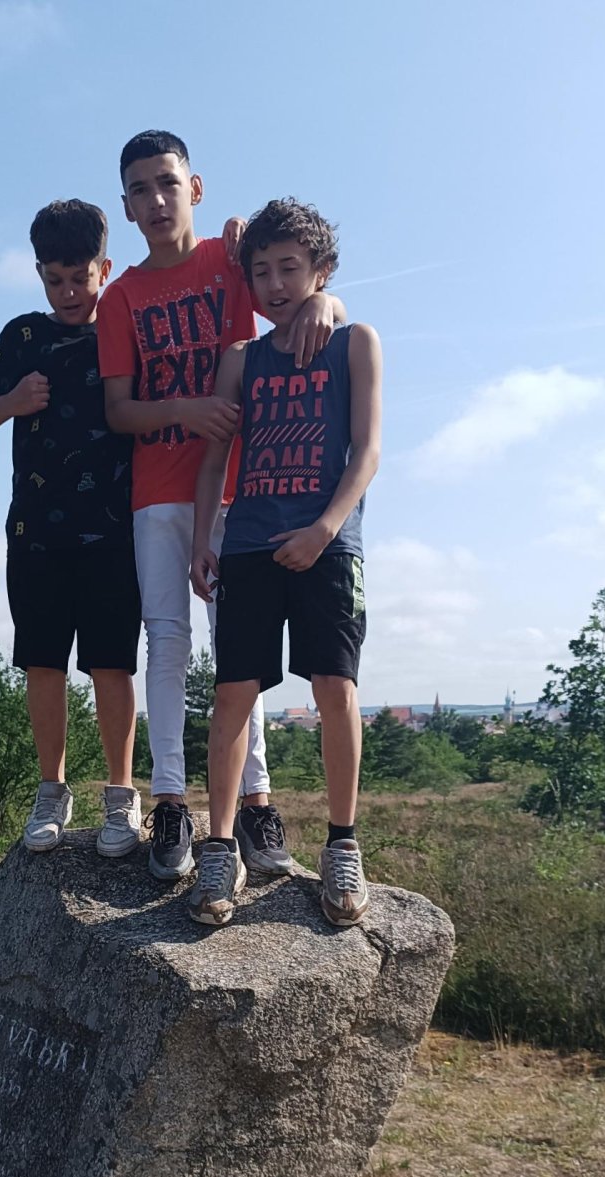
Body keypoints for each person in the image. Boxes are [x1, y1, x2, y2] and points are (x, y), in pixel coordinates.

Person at [98, 130, 345, 882]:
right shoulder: (122, 297)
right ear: (126, 205)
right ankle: (171, 801)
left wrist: (327, 300)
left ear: (195, 188)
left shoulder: (232, 262)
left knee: (241, 655)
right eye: (139, 189)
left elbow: (293, 295)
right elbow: (119, 410)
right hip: (157, 491)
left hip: (248, 489)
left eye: (167, 183)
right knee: (167, 642)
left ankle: (256, 803)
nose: (156, 200)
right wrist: (189, 407)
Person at [187, 198, 382, 928]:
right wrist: (203, 540)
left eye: (290, 269)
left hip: (328, 545)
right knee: (233, 695)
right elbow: (215, 461)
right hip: (248, 545)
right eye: (261, 271)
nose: (274, 284)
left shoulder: (355, 341)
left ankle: (342, 844)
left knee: (335, 687)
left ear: (321, 270)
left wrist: (326, 529)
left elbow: (367, 451)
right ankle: (218, 848)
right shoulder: (241, 360)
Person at [0, 199, 142, 857]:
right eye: (54, 279)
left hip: (114, 534)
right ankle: (52, 790)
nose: (67, 292)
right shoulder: (22, 336)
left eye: (80, 278)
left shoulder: (125, 330)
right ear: (39, 273)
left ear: (104, 269)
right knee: (43, 663)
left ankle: (121, 795)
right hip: (35, 533)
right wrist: (14, 401)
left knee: (111, 664)